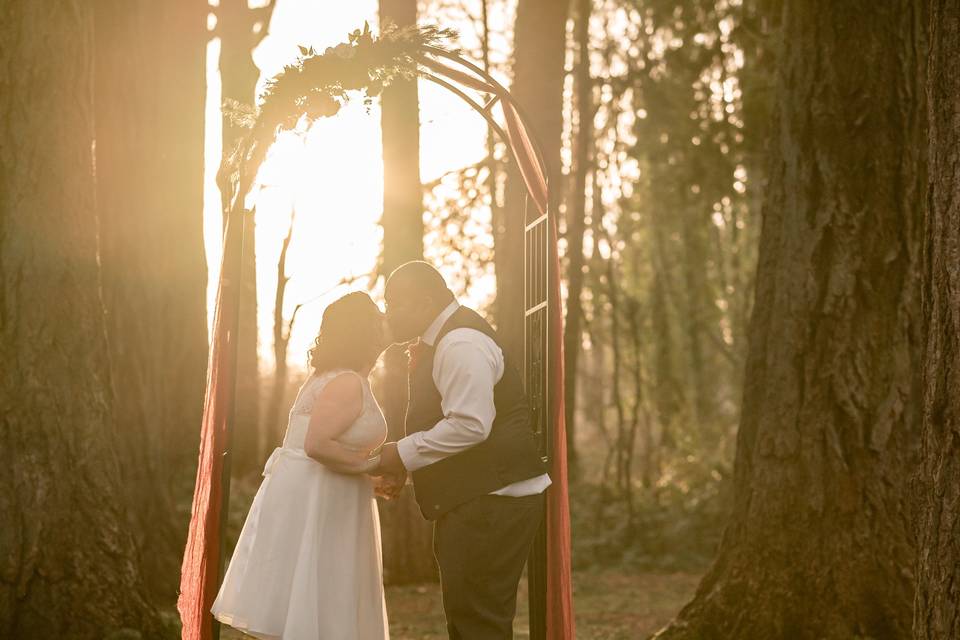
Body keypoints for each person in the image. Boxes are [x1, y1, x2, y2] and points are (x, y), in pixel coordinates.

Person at [375, 260, 552, 639]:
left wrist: (400, 453)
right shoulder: (446, 340)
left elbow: (471, 425)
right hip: (480, 499)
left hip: (491, 501)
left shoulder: (460, 343)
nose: (388, 312)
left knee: (477, 624)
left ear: (424, 302)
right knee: (469, 619)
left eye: (394, 303)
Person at [211, 291, 391, 640]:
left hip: (321, 495)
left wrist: (367, 477)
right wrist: (373, 464)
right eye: (376, 319)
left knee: (321, 598)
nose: (383, 324)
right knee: (326, 595)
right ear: (362, 331)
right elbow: (317, 445)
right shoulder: (346, 382)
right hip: (320, 501)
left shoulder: (336, 377)